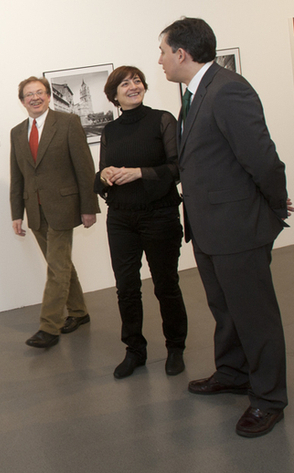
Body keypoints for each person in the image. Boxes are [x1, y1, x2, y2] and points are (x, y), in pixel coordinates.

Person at [158, 17, 294, 437]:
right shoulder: (195, 94)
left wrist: (274, 207)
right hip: (208, 228)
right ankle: (233, 372)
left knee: (255, 317)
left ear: (182, 53)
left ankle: (268, 398)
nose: (160, 61)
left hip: (238, 228)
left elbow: (262, 158)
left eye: (163, 52)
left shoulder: (228, 90)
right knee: (225, 310)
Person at [95, 66, 187, 379]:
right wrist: (104, 175)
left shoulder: (162, 120)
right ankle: (135, 350)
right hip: (121, 218)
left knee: (166, 284)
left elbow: (177, 168)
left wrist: (140, 173)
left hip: (159, 215)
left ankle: (175, 347)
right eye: (125, 83)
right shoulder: (110, 131)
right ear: (114, 94)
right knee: (126, 288)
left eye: (137, 81)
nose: (133, 86)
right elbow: (101, 176)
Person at [10, 76, 99, 348]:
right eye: (29, 94)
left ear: (48, 96)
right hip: (35, 210)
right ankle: (79, 312)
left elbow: (85, 168)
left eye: (40, 92)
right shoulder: (17, 132)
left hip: (63, 207)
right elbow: (17, 177)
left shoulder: (68, 123)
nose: (35, 98)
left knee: (57, 268)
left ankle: (49, 327)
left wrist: (89, 207)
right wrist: (17, 213)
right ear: (22, 101)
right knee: (60, 264)